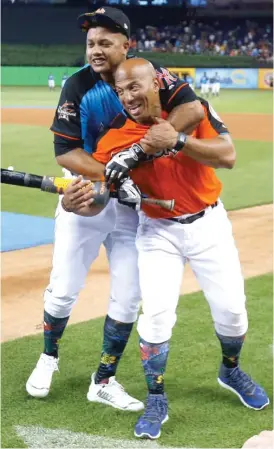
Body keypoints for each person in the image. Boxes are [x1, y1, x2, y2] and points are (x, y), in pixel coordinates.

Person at [76, 58, 269, 439]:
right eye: (121, 90)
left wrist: (177, 140)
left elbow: (227, 155)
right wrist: (82, 198)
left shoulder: (189, 111)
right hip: (156, 230)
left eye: (135, 87)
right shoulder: (114, 137)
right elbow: (100, 192)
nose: (129, 96)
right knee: (157, 317)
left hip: (208, 222)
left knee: (232, 313)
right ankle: (157, 396)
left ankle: (230, 369)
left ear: (156, 84)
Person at [26, 7, 204, 411]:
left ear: (128, 45)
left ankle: (103, 379)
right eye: (90, 43)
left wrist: (150, 144)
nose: (96, 50)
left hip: (131, 208)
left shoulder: (152, 75)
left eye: (106, 42)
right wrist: (112, 174)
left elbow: (193, 109)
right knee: (64, 287)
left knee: (127, 297)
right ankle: (48, 357)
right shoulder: (77, 85)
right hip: (87, 196)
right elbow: (66, 152)